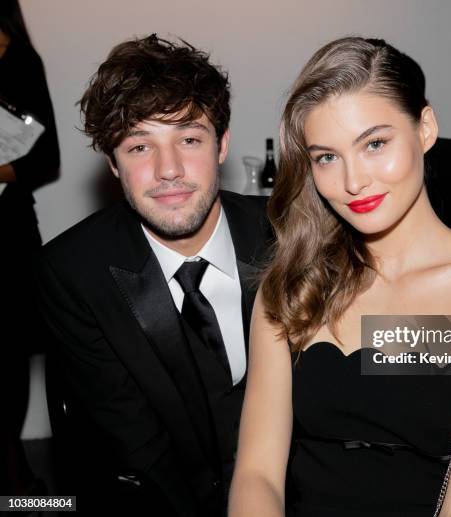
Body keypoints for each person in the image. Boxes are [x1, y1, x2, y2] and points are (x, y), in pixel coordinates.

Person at [229, 37, 451, 517]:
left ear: (425, 128)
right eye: (326, 157)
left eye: (375, 144)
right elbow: (257, 474)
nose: (354, 181)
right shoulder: (292, 286)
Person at [38, 34, 271, 517]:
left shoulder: (290, 239)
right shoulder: (74, 271)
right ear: (113, 164)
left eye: (189, 139)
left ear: (222, 145)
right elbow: (134, 442)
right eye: (139, 146)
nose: (168, 170)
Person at [0, 0, 60, 496]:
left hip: (7, 235)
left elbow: (48, 160)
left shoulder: (20, 62)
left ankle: (20, 484)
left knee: (11, 353)